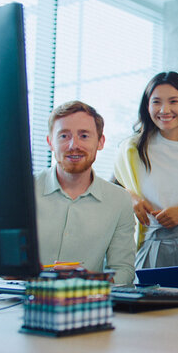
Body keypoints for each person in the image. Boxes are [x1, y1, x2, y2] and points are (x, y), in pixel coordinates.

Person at [35, 100, 136, 285]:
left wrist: (89, 281)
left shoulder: (119, 200)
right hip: (22, 303)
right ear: (50, 142)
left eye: (84, 135)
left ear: (100, 142)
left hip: (88, 305)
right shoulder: (24, 193)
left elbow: (124, 271)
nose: (74, 145)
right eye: (64, 136)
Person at [113, 72, 178, 269]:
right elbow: (110, 190)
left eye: (173, 101)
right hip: (149, 248)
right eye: (156, 102)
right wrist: (130, 198)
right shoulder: (132, 148)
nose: (165, 110)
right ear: (147, 106)